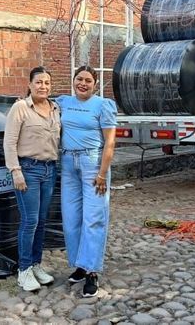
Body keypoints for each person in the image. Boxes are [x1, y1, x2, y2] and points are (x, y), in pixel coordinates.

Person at [55, 66, 117, 298]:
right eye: (79, 79)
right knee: (71, 218)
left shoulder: (103, 105)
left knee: (93, 218)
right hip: (69, 163)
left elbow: (110, 142)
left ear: (95, 84)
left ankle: (92, 272)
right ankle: (80, 265)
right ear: (73, 80)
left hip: (93, 164)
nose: (83, 83)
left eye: (88, 80)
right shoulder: (63, 102)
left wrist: (102, 174)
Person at [3, 66, 61, 292]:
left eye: (47, 83)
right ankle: (24, 270)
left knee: (42, 221)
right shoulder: (20, 108)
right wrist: (15, 171)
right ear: (30, 85)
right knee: (30, 221)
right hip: (28, 169)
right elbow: (9, 142)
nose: (43, 86)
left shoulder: (55, 108)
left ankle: (36, 264)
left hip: (49, 169)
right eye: (38, 82)